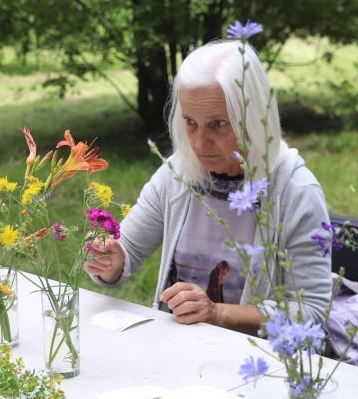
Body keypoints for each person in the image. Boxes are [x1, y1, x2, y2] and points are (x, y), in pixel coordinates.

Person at [84, 40, 331, 334]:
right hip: (177, 354)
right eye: (190, 122)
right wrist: (109, 262)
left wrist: (217, 313)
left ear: (253, 120)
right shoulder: (178, 174)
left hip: (256, 365)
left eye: (218, 124)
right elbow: (127, 251)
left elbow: (313, 312)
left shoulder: (294, 190)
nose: (200, 143)